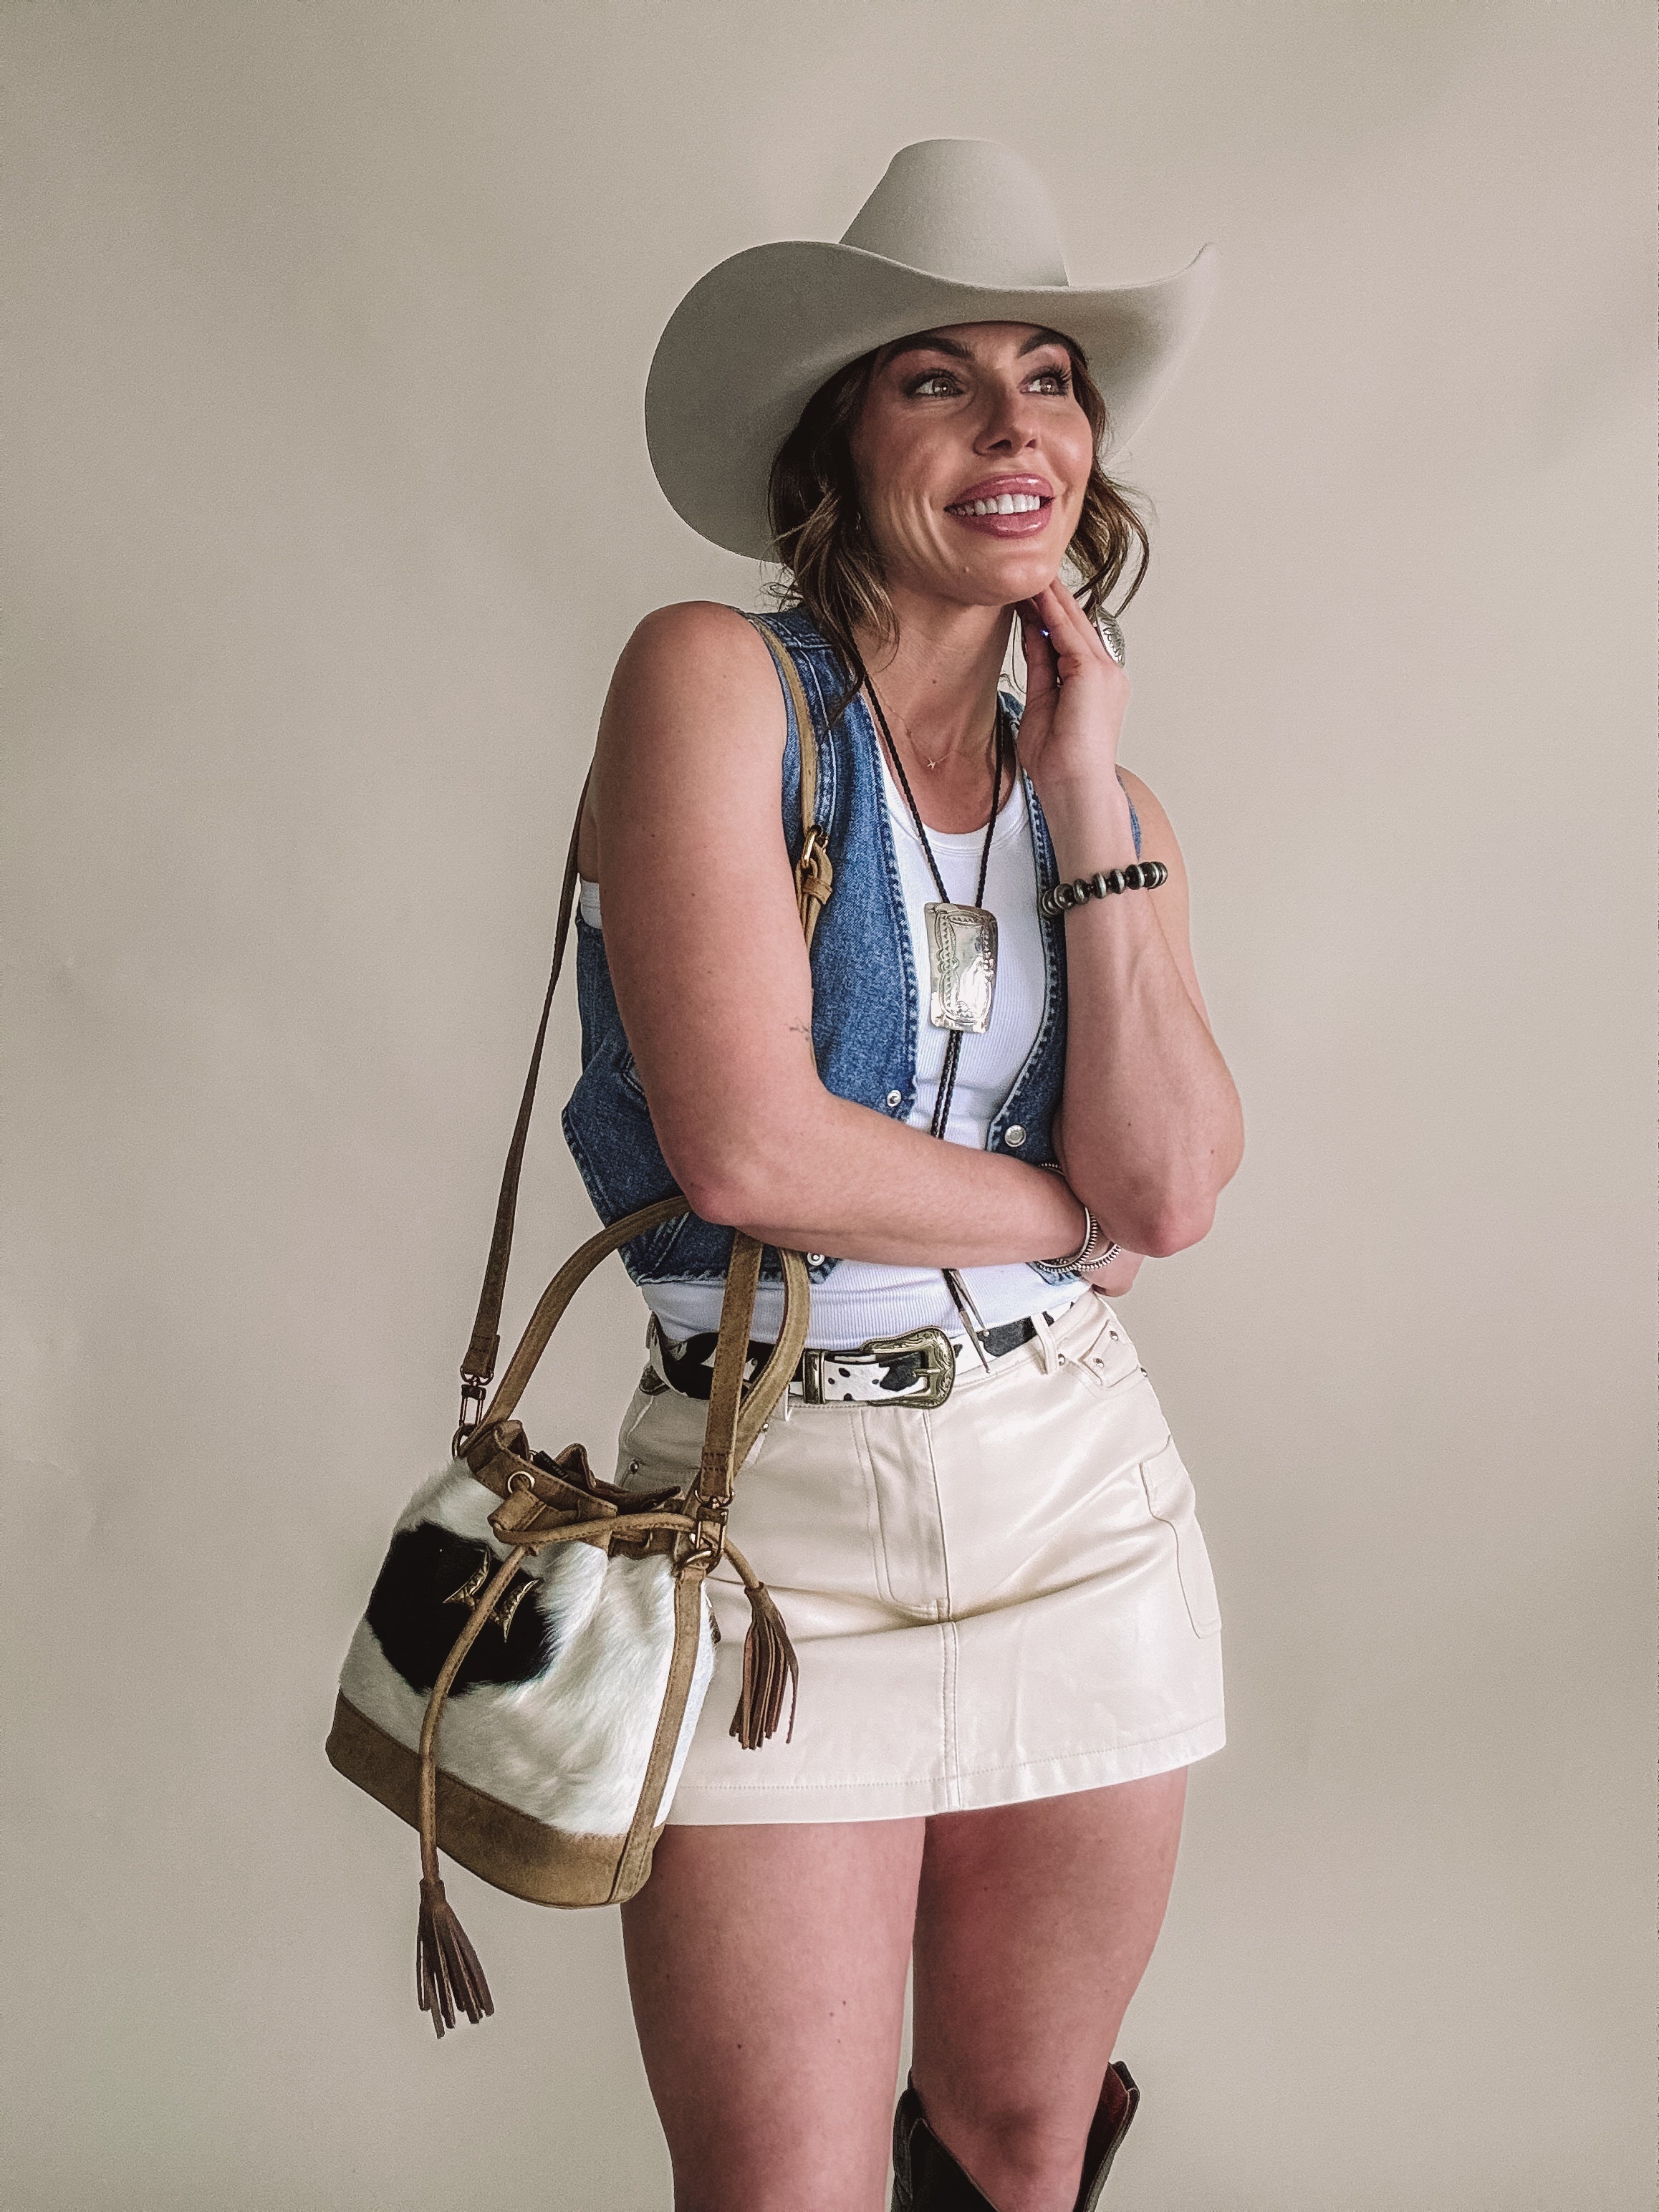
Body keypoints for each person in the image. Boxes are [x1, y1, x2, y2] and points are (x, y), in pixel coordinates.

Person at [562, 139, 1244, 2212]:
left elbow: (1183, 1179)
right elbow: (746, 1145)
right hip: (768, 1525)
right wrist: (1066, 1219)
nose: (1012, 423)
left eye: (1048, 377)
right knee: (781, 2186)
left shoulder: (1100, 800)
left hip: (1074, 1498)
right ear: (834, 448)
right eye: (934, 380)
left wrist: (1081, 793)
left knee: (1023, 2140)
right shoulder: (709, 680)